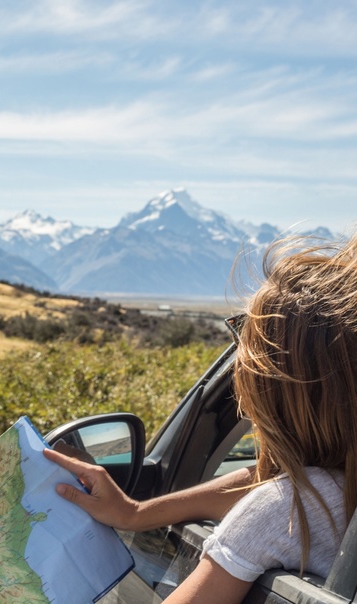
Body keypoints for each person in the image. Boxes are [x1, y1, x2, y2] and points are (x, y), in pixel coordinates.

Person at [44, 234, 357, 604]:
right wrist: (134, 512)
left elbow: (274, 496)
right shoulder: (324, 495)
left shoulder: (285, 510)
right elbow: (257, 483)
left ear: (273, 392)